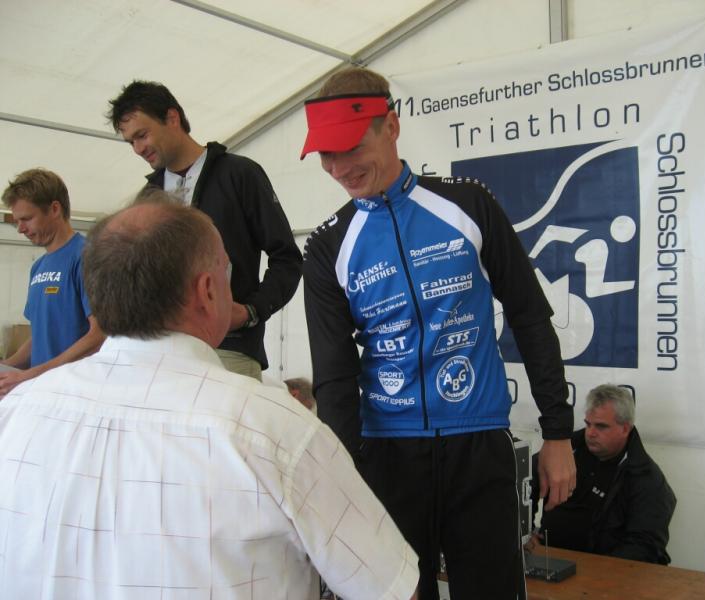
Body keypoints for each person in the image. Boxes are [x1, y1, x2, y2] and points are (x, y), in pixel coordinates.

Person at [0, 198, 419, 600]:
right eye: (225, 269)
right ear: (207, 291)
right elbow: (388, 588)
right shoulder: (275, 429)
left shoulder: (17, 411)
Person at [300, 66, 576, 600]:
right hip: (387, 457)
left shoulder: (468, 204)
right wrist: (344, 476)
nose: (339, 168)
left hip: (479, 444)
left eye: (350, 147)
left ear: (391, 126)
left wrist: (559, 433)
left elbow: (529, 316)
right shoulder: (328, 245)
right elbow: (334, 378)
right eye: (326, 155)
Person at [107, 80, 303, 379]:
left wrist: (251, 311)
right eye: (130, 141)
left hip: (229, 349)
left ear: (172, 118)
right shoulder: (148, 197)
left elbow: (287, 258)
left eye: (142, 135)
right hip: (159, 352)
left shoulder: (239, 174)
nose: (138, 149)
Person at [528, 384, 677, 564]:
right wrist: (524, 532)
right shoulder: (565, 452)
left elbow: (645, 546)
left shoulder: (647, 479)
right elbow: (523, 482)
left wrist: (595, 569)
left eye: (601, 426)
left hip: (607, 571)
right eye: (588, 424)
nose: (590, 433)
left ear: (625, 429)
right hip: (549, 560)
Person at [0, 168, 105, 397]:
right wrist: (8, 366)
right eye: (17, 221)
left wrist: (31, 375)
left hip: (76, 393)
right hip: (43, 393)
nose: (20, 229)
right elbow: (39, 336)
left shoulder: (87, 256)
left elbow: (99, 334)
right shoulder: (38, 267)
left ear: (55, 209)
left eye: (27, 219)